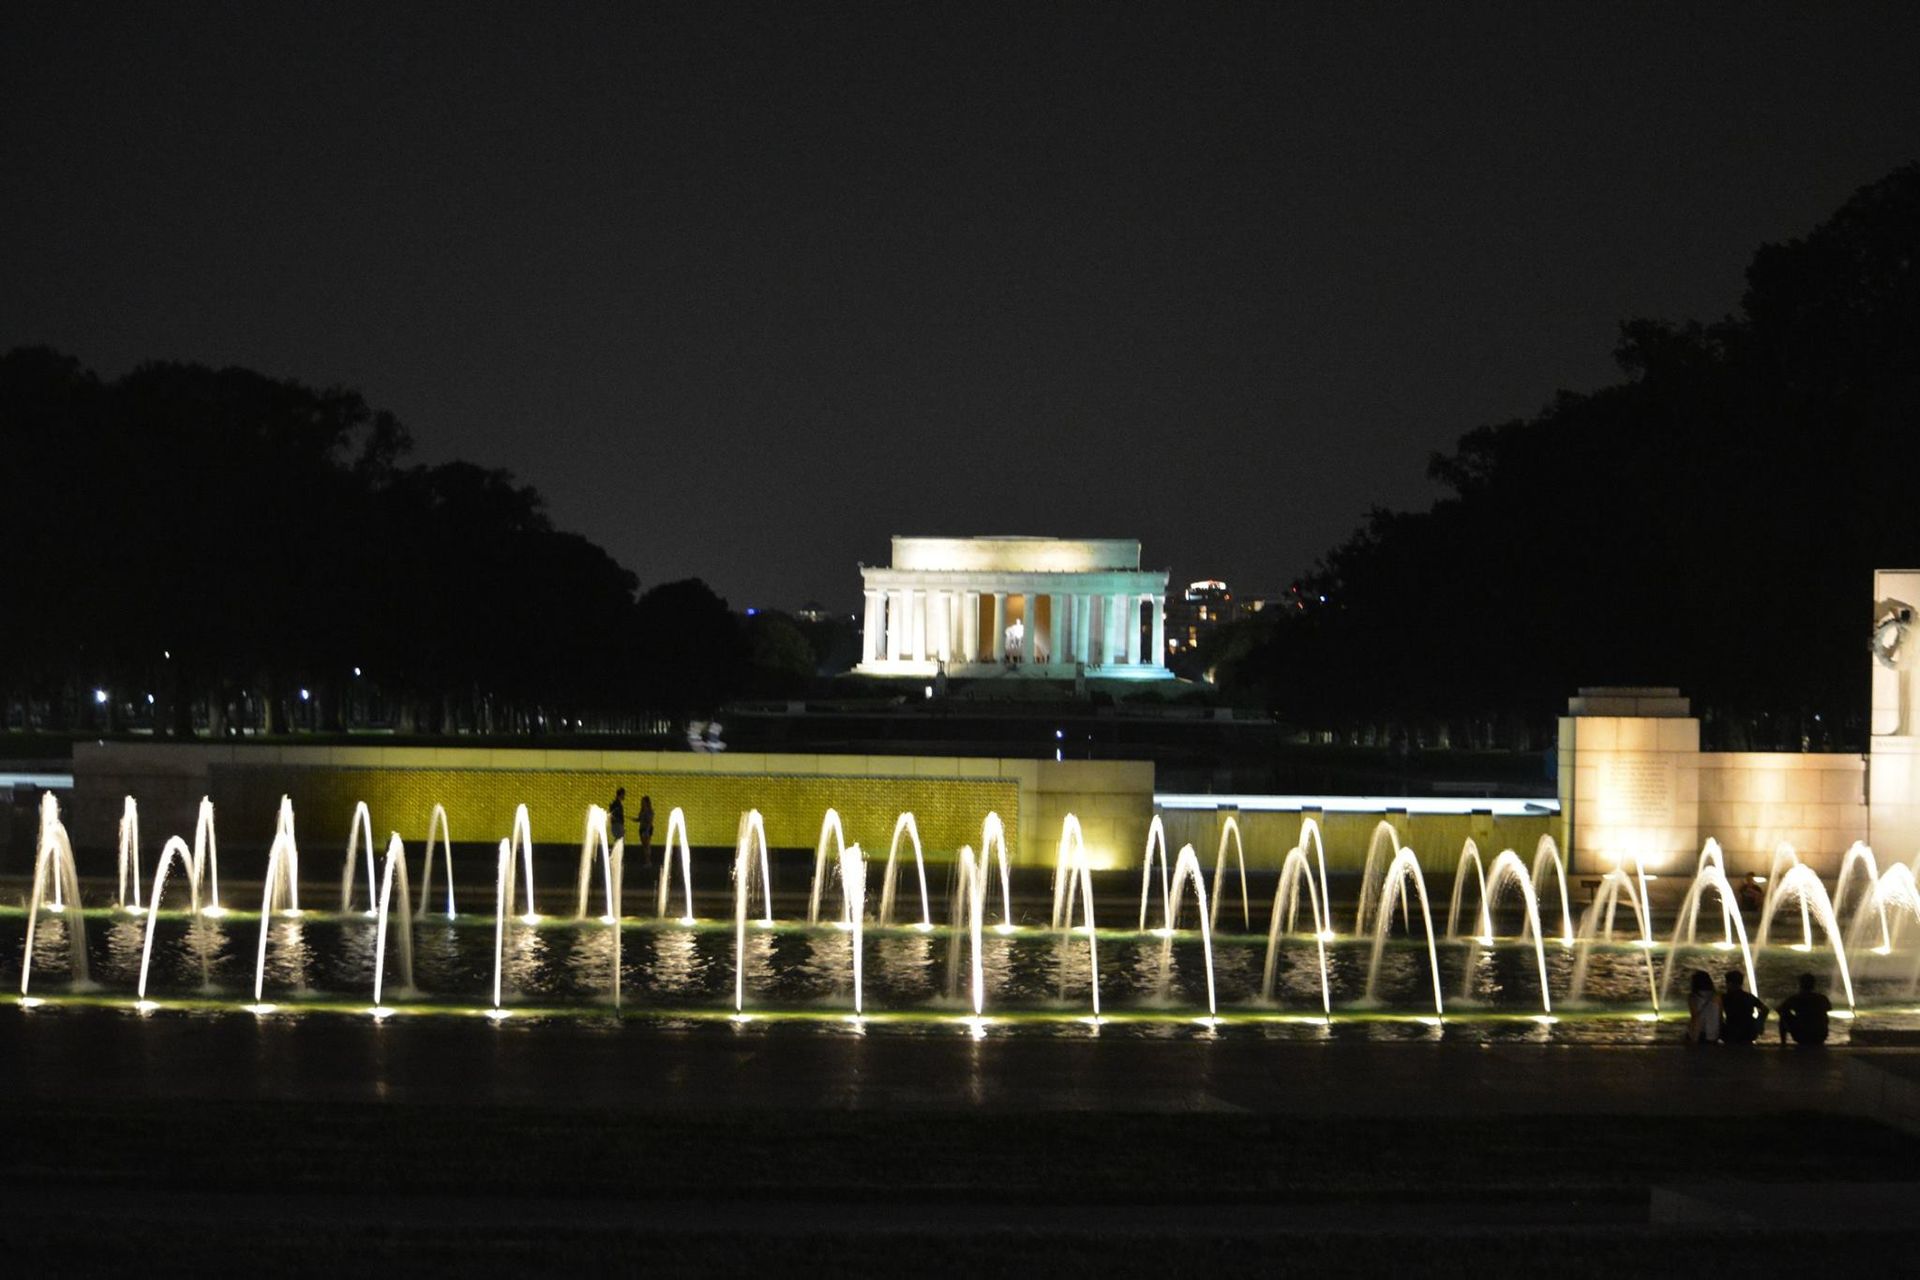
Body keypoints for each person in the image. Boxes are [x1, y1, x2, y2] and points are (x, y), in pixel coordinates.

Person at [1778, 972, 1832, 1047]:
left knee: (1783, 1015)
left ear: (1800, 984)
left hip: (1801, 1035)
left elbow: (1780, 1009)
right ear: (1814, 984)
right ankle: (1821, 1029)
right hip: (1820, 1036)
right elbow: (1828, 1008)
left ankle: (1783, 1043)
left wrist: (1793, 1017)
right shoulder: (1822, 998)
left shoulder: (1796, 998)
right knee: (1824, 1015)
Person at [1720, 970, 1769, 1045]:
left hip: (1731, 1031)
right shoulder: (1749, 997)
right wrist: (1759, 1023)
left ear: (1729, 983)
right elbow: (1765, 1009)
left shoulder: (1725, 998)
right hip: (1749, 1030)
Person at [1686, 969, 1721, 1045]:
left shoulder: (1693, 997)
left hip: (1700, 1032)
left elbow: (1694, 1017)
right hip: (1713, 1032)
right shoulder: (1717, 997)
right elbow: (1719, 1015)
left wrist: (1693, 1035)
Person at [636, 793, 655, 873]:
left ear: (647, 802)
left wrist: (647, 830)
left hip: (646, 829)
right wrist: (636, 820)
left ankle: (648, 862)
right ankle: (647, 861)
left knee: (647, 845)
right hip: (642, 829)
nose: (642, 803)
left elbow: (650, 821)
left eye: (643, 801)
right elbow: (640, 819)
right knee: (645, 846)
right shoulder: (643, 810)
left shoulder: (649, 811)